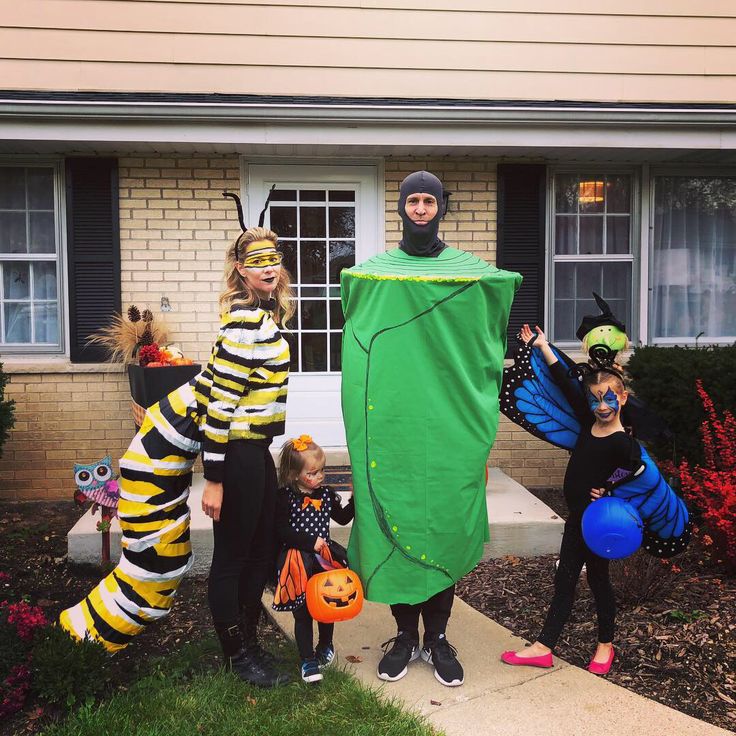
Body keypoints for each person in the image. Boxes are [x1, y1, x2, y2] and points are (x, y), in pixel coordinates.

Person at [61, 226, 293, 689]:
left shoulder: (263, 318)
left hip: (257, 449)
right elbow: (221, 404)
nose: (269, 266)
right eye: (257, 260)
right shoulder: (243, 324)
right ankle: (236, 655)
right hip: (238, 451)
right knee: (234, 556)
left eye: (274, 258)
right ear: (240, 271)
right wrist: (217, 479)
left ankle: (248, 642)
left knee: (260, 551)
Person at [340, 170, 521, 687]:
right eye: (412, 200)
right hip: (392, 428)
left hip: (446, 430)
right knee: (393, 522)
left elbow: (490, 317)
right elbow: (360, 332)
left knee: (440, 526)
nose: (420, 208)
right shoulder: (374, 275)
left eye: (429, 200)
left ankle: (437, 636)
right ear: (402, 207)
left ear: (442, 206)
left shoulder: (467, 273)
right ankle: (403, 635)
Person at [500, 324, 641, 675]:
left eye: (609, 398)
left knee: (594, 581)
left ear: (622, 398)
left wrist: (609, 487)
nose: (601, 405)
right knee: (571, 580)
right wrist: (544, 345)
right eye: (595, 398)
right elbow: (565, 381)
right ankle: (545, 646)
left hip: (596, 522)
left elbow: (634, 469)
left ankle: (603, 645)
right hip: (576, 516)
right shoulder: (587, 420)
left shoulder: (623, 441)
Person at [272, 435, 355, 684]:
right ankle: (307, 659)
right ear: (295, 474)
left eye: (322, 471)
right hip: (298, 561)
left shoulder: (326, 494)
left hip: (323, 559)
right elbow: (281, 531)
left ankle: (325, 645)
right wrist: (310, 543)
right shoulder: (285, 497)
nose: (320, 477)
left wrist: (354, 499)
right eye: (313, 473)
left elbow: (341, 518)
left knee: (328, 604)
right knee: (303, 612)